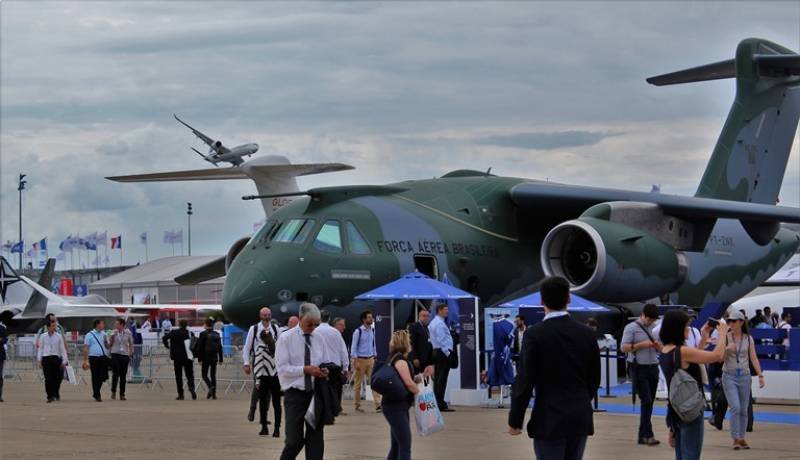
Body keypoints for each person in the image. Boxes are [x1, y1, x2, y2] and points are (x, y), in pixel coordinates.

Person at [508, 276, 600, 460]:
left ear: (542, 300)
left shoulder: (534, 334)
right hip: (579, 415)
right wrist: (579, 400)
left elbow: (525, 379)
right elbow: (594, 378)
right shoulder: (587, 334)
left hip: (549, 417)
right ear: (568, 299)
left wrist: (516, 419)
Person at [659, 309, 728, 460]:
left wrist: (703, 337)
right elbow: (717, 356)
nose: (688, 330)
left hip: (677, 409)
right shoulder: (682, 351)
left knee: (682, 454)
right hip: (691, 409)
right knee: (691, 454)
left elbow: (694, 357)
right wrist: (722, 333)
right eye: (686, 326)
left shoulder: (666, 351)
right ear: (677, 328)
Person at [276, 302, 329, 460]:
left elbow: (324, 360)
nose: (312, 327)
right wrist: (305, 369)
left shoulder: (319, 338)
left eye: (316, 324)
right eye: (309, 324)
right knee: (294, 440)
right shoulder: (286, 338)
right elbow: (283, 369)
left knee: (316, 439)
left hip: (315, 394)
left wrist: (324, 370)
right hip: (294, 395)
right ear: (300, 319)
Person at [382, 330, 431, 460]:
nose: (410, 343)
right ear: (405, 343)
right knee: (405, 445)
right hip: (396, 407)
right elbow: (408, 384)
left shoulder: (394, 358)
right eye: (408, 341)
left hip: (396, 406)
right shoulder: (400, 361)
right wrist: (421, 395)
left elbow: (405, 379)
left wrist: (420, 377)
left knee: (397, 445)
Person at [722, 309, 765, 450]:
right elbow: (718, 356)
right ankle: (735, 438)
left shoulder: (748, 338)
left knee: (744, 408)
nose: (730, 323)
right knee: (735, 406)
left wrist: (760, 375)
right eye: (729, 321)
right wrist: (727, 349)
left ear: (741, 322)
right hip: (729, 375)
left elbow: (753, 357)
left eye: (733, 321)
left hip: (745, 376)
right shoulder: (726, 336)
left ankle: (742, 437)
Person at [621, 303, 662, 446]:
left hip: (653, 367)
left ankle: (642, 435)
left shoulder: (655, 329)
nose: (651, 322)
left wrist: (658, 347)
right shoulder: (631, 328)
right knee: (647, 401)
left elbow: (662, 348)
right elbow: (623, 347)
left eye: (654, 320)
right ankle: (648, 434)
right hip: (638, 368)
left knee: (649, 403)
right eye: (649, 319)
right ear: (643, 315)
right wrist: (640, 345)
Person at [243, 307, 281, 422]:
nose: (266, 317)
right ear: (260, 316)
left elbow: (280, 346)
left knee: (269, 389)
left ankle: (263, 415)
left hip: (272, 361)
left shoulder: (275, 328)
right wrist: (246, 363)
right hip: (258, 360)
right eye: (264, 315)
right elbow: (247, 348)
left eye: (268, 314)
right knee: (258, 386)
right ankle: (252, 409)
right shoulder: (254, 329)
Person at [317, 310, 349, 415]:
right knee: (336, 388)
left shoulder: (315, 331)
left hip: (320, 365)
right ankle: (336, 409)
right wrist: (345, 367)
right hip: (335, 365)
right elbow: (343, 350)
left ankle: (322, 409)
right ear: (329, 319)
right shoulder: (335, 332)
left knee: (321, 389)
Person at [254, 323, 282, 437]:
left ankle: (264, 428)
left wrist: (257, 380)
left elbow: (258, 365)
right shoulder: (278, 347)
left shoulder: (260, 348)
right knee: (277, 404)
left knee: (263, 404)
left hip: (264, 378)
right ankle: (277, 430)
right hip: (276, 378)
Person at [351, 309, 380, 413]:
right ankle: (357, 405)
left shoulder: (372, 330)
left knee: (374, 382)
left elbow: (373, 344)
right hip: (360, 359)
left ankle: (378, 404)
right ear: (364, 319)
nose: (371, 319)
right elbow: (353, 347)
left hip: (370, 359)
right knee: (358, 384)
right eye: (369, 317)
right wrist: (355, 360)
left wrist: (375, 355)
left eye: (371, 317)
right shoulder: (358, 331)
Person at [428, 303, 455, 412]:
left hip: (437, 351)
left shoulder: (434, 322)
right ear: (439, 310)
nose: (447, 312)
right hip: (442, 352)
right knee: (441, 379)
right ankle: (440, 404)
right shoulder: (439, 324)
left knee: (438, 378)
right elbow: (441, 339)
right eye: (445, 310)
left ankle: (438, 402)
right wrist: (447, 353)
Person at [162, 319, 196, 400]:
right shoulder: (190, 333)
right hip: (188, 357)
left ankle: (181, 394)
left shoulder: (174, 332)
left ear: (179, 325)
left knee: (178, 376)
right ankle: (191, 388)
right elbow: (193, 343)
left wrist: (168, 346)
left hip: (177, 357)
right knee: (190, 375)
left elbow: (164, 338)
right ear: (186, 325)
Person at [37, 321, 69, 403]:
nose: (54, 327)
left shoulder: (58, 336)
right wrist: (39, 360)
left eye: (55, 326)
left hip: (56, 358)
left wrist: (64, 360)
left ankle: (56, 392)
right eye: (52, 326)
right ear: (48, 327)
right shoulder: (43, 336)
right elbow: (40, 348)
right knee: (48, 378)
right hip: (46, 358)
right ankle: (50, 396)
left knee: (58, 377)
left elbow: (62, 349)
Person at [196, 318, 224, 400]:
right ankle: (214, 394)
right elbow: (220, 347)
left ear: (205, 324)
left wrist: (199, 359)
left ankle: (210, 387)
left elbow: (200, 347)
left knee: (204, 375)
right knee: (213, 375)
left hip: (205, 357)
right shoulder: (216, 334)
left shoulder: (203, 334)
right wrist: (221, 358)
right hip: (214, 357)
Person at [83, 319, 109, 402]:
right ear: (97, 325)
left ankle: (96, 392)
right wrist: (86, 360)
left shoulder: (104, 334)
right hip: (93, 358)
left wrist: (110, 339)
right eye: (102, 324)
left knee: (102, 376)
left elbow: (107, 346)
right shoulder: (89, 335)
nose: (103, 325)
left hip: (102, 357)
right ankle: (97, 394)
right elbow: (86, 348)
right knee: (95, 376)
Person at [108, 318, 133, 400]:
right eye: (115, 324)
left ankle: (122, 394)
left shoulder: (128, 332)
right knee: (116, 373)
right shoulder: (113, 332)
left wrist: (131, 352)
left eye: (117, 324)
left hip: (124, 355)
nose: (116, 325)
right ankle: (113, 391)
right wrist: (112, 336)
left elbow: (131, 343)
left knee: (123, 375)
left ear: (122, 325)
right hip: (115, 354)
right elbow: (110, 344)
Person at [407, 309, 432, 374]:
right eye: (424, 316)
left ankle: (426, 384)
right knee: (417, 377)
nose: (426, 318)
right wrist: (414, 357)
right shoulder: (413, 326)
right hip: (417, 359)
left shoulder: (427, 328)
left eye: (427, 316)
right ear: (419, 316)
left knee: (426, 378)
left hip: (426, 359)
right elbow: (411, 343)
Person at [0, 320, 8, 402]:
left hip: (0, 356)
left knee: (0, 376)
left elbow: (5, 339)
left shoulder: (2, 328)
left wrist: (1, 340)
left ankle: (0, 395)